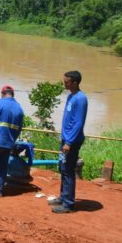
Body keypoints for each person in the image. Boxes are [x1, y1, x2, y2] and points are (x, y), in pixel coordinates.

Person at [50, 70, 88, 214]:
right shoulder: (71, 97)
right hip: (66, 139)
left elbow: (78, 123)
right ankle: (63, 197)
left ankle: (69, 204)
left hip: (71, 141)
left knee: (68, 170)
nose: (64, 83)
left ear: (75, 83)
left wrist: (69, 142)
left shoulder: (81, 99)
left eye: (66, 82)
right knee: (62, 167)